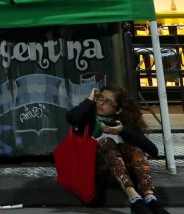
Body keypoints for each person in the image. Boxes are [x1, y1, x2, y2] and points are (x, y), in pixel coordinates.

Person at [66, 85, 169, 214]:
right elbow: (71, 118)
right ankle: (134, 198)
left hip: (122, 176)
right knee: (106, 142)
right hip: (98, 175)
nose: (102, 103)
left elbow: (153, 150)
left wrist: (123, 131)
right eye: (100, 98)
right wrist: (90, 99)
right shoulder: (89, 118)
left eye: (108, 102)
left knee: (133, 149)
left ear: (118, 110)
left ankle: (150, 198)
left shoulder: (122, 123)